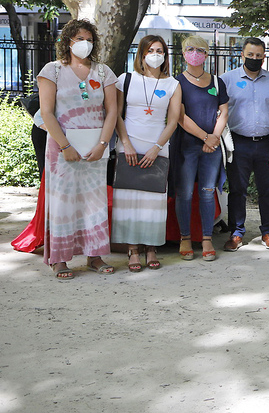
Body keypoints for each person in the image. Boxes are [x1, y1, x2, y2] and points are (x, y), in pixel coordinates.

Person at [36, 19, 117, 278]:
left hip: (96, 148)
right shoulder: (53, 71)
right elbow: (47, 113)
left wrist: (103, 144)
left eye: (89, 39)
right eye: (79, 38)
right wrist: (65, 145)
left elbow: (112, 110)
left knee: (94, 203)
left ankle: (95, 255)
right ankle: (59, 259)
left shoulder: (103, 72)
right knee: (62, 203)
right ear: (68, 41)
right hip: (62, 149)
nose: (84, 43)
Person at [112, 35, 182, 271]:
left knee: (153, 202)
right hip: (129, 146)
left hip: (158, 148)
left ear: (165, 55)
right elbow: (117, 115)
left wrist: (156, 148)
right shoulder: (126, 79)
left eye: (160, 50)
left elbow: (172, 122)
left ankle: (151, 248)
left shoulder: (172, 84)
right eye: (150, 50)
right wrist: (127, 143)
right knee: (129, 200)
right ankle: (133, 250)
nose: (155, 54)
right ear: (142, 54)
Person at [221, 38, 269, 251]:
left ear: (264, 57)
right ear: (242, 55)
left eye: (258, 56)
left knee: (268, 190)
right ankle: (236, 233)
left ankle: (268, 232)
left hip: (266, 143)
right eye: (250, 55)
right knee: (237, 190)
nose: (254, 59)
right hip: (238, 142)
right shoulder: (226, 79)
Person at [174, 35, 229, 261]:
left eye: (200, 50)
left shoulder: (217, 82)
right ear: (184, 52)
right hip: (187, 146)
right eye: (190, 49)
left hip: (212, 147)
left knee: (207, 193)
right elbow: (179, 117)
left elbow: (224, 112)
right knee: (184, 193)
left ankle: (206, 238)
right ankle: (185, 237)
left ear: (206, 54)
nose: (195, 53)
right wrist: (205, 137)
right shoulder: (177, 82)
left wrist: (214, 137)